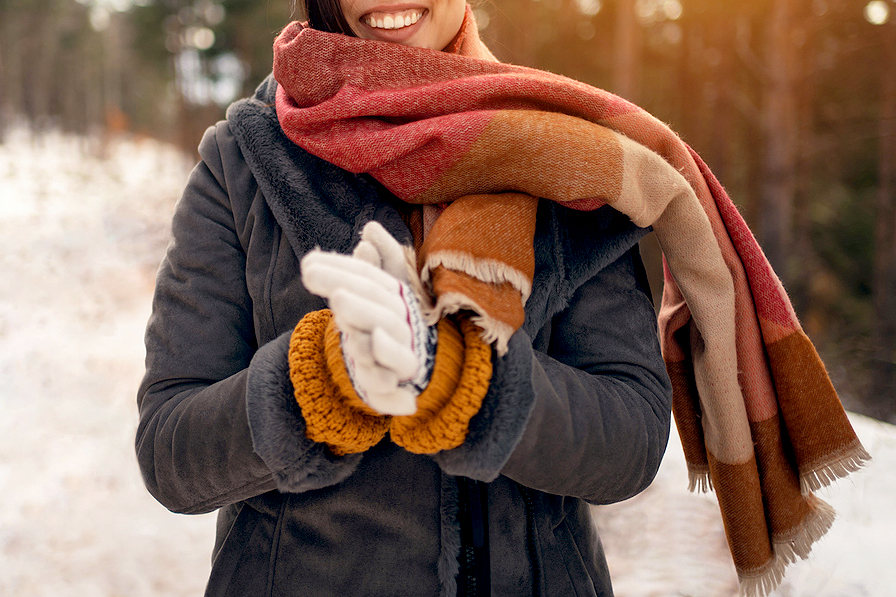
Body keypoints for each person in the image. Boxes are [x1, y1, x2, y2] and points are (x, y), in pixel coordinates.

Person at [135, 1, 680, 595]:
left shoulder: (563, 151)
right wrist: (322, 379)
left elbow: (632, 437)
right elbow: (171, 450)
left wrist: (466, 381)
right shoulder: (242, 160)